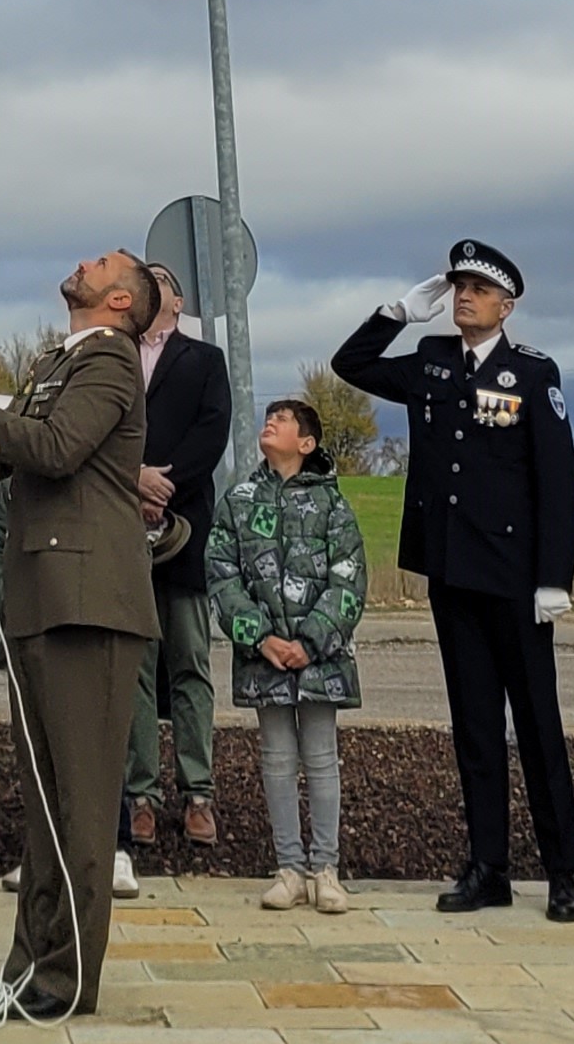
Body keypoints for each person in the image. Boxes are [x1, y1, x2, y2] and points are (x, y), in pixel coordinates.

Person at [0, 247, 158, 1024]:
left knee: (81, 805)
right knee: (46, 803)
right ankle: (28, 965)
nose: (82, 263)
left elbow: (54, 447)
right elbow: (4, 458)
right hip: (41, 595)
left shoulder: (112, 360)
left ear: (120, 300)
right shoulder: (58, 358)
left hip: (90, 601)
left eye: (101, 262)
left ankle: (67, 977)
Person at [333, 242, 574, 924]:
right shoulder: (431, 360)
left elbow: (555, 481)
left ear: (506, 304)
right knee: (473, 727)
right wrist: (395, 313)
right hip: (452, 570)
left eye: (477, 288)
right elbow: (348, 364)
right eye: (458, 286)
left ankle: (561, 870)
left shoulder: (532, 372)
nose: (463, 296)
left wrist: (552, 576)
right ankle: (487, 865)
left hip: (514, 577)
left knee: (536, 725)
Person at [206, 392, 367, 916]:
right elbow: (222, 574)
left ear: (307, 442)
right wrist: (259, 638)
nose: (271, 422)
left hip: (320, 660)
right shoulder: (239, 500)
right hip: (264, 658)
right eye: (269, 416)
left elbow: (349, 576)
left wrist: (312, 639)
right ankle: (289, 868)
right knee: (276, 760)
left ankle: (326, 868)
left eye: (284, 419)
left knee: (321, 759)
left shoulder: (332, 504)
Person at [121, 264, 235, 869]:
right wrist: (130, 485)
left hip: (184, 528)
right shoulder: (113, 356)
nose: (151, 284)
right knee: (136, 666)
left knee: (189, 663)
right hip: (121, 524)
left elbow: (212, 431)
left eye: (158, 276)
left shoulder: (204, 359)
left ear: (178, 297)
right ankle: (142, 793)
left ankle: (198, 792)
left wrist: (163, 484)